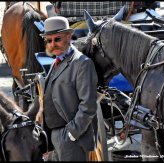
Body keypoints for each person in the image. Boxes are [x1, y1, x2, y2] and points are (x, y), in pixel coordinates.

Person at [39, 16, 99, 161]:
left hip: (71, 139)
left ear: (69, 36)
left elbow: (89, 104)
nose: (53, 44)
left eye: (57, 39)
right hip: (54, 137)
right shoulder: (57, 62)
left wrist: (71, 133)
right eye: (49, 40)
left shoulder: (82, 64)